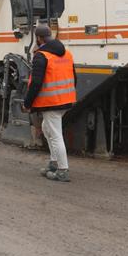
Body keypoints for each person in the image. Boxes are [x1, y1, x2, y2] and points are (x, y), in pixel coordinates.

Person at [23, 25, 77, 182]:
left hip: (52, 102)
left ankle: (62, 171)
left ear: (39, 39)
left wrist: (27, 103)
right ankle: (53, 163)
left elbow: (36, 83)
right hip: (66, 99)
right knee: (47, 129)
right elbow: (74, 77)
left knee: (55, 135)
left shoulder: (41, 56)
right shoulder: (67, 53)